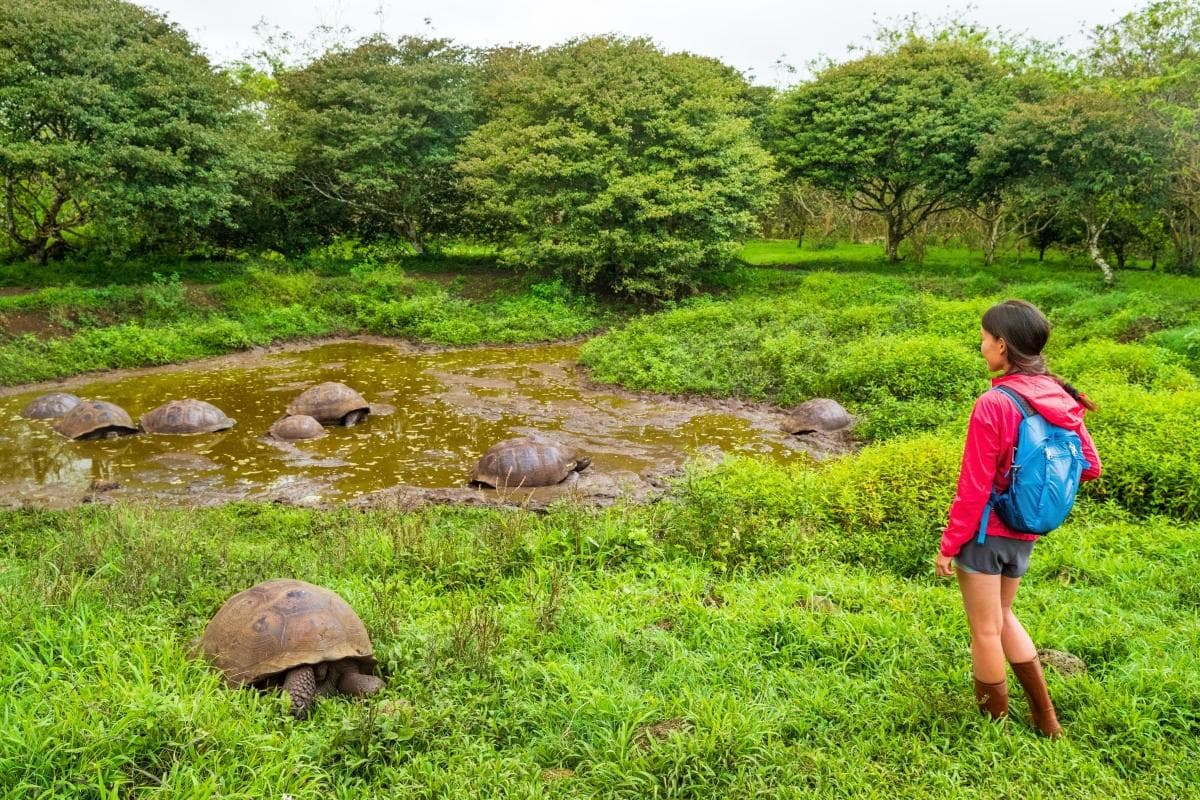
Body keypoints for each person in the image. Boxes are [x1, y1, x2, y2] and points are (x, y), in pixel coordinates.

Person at [935, 299, 1102, 738]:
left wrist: (949, 544)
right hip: (1025, 531)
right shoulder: (1059, 395)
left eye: (985, 339)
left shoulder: (994, 403)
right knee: (1005, 615)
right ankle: (1046, 719)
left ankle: (994, 729)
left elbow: (972, 488)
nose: (982, 345)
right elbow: (1089, 465)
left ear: (1003, 345)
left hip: (987, 533)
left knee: (985, 630)